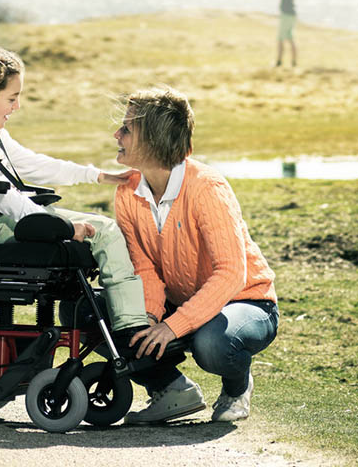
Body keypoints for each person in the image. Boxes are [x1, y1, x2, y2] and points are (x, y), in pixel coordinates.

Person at [0, 29, 149, 341]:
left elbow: (32, 164)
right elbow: (3, 197)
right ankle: (131, 330)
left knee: (108, 230)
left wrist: (96, 175)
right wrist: (58, 226)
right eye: (12, 98)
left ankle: (131, 323)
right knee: (106, 233)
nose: (17, 107)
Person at [113, 87, 278, 423]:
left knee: (213, 344)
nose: (117, 134)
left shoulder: (207, 187)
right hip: (181, 303)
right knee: (105, 316)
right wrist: (148, 318)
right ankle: (172, 391)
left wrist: (173, 327)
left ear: (153, 140)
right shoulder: (126, 191)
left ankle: (236, 387)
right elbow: (145, 268)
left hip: (246, 302)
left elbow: (231, 273)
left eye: (127, 128)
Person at [268, 0, 299, 67]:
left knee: (281, 38)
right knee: (289, 38)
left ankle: (279, 62)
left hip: (287, 14)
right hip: (290, 14)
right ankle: (293, 62)